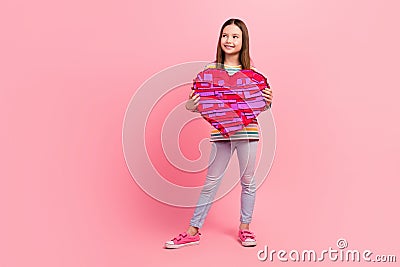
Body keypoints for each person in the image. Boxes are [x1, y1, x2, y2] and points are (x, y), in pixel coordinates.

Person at [164, 18, 273, 249]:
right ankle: (193, 230)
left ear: (243, 41)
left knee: (248, 181)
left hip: (247, 134)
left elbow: (257, 105)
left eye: (235, 36)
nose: (229, 40)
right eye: (225, 35)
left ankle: (245, 229)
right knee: (211, 182)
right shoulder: (209, 72)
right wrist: (192, 105)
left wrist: (267, 102)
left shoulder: (253, 74)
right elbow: (194, 105)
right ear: (220, 39)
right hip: (220, 134)